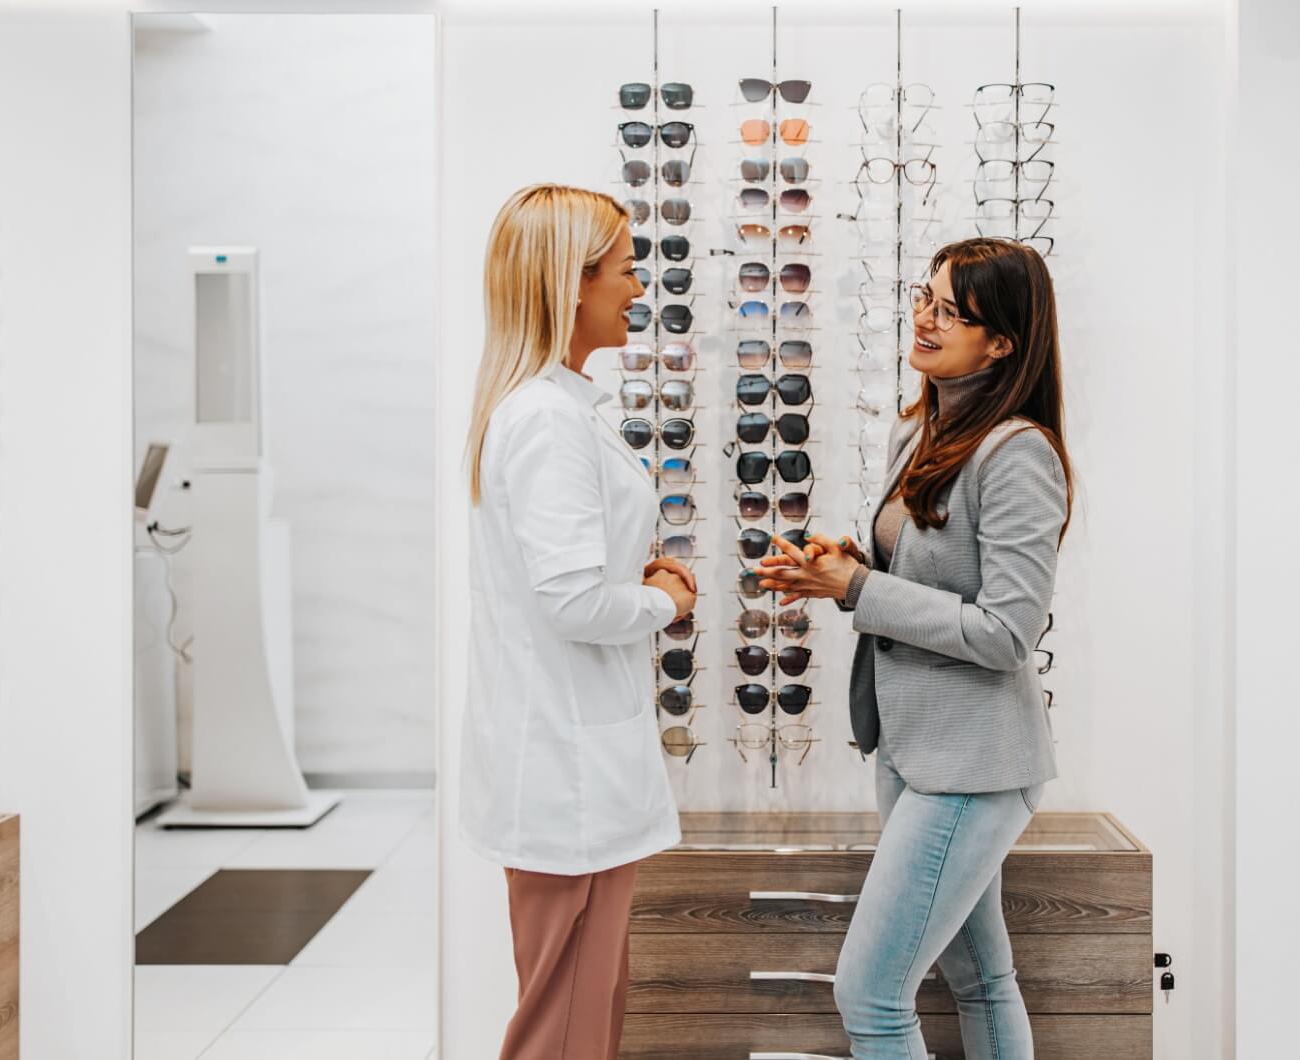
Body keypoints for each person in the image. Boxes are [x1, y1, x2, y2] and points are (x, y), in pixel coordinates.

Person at [759, 236, 1073, 1060]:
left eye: (950, 310)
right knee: (980, 980)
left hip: (971, 765)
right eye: (923, 297)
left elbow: (1006, 634)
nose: (925, 318)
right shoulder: (925, 433)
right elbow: (926, 580)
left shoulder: (1018, 454)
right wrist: (850, 568)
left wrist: (861, 592)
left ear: (1001, 342)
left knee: (869, 995)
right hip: (911, 747)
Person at [458, 184, 697, 1060]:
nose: (641, 288)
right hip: (567, 777)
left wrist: (627, 574)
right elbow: (569, 605)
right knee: (562, 1028)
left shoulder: (552, 410)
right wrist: (664, 603)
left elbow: (553, 579)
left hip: (573, 765)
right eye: (629, 271)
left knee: (582, 1015)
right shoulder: (547, 423)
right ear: (574, 282)